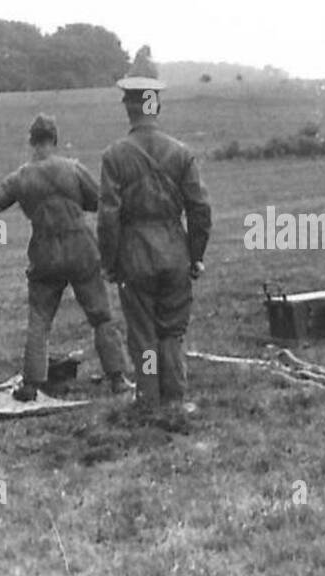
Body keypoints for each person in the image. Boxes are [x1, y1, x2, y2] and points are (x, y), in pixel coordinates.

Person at [0, 114, 131, 401]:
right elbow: (100, 202)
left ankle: (31, 385)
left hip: (45, 254)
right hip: (82, 249)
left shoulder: (20, 178)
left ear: (31, 142)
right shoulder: (73, 168)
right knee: (100, 317)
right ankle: (118, 379)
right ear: (54, 139)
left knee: (40, 320)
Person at [98, 48, 212, 422]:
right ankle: (175, 399)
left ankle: (147, 399)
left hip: (134, 256)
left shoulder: (115, 156)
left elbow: (108, 217)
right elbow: (200, 209)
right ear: (155, 105)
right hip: (175, 252)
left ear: (129, 106)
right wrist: (195, 255)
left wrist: (111, 263)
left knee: (143, 333)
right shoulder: (181, 153)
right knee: (172, 330)